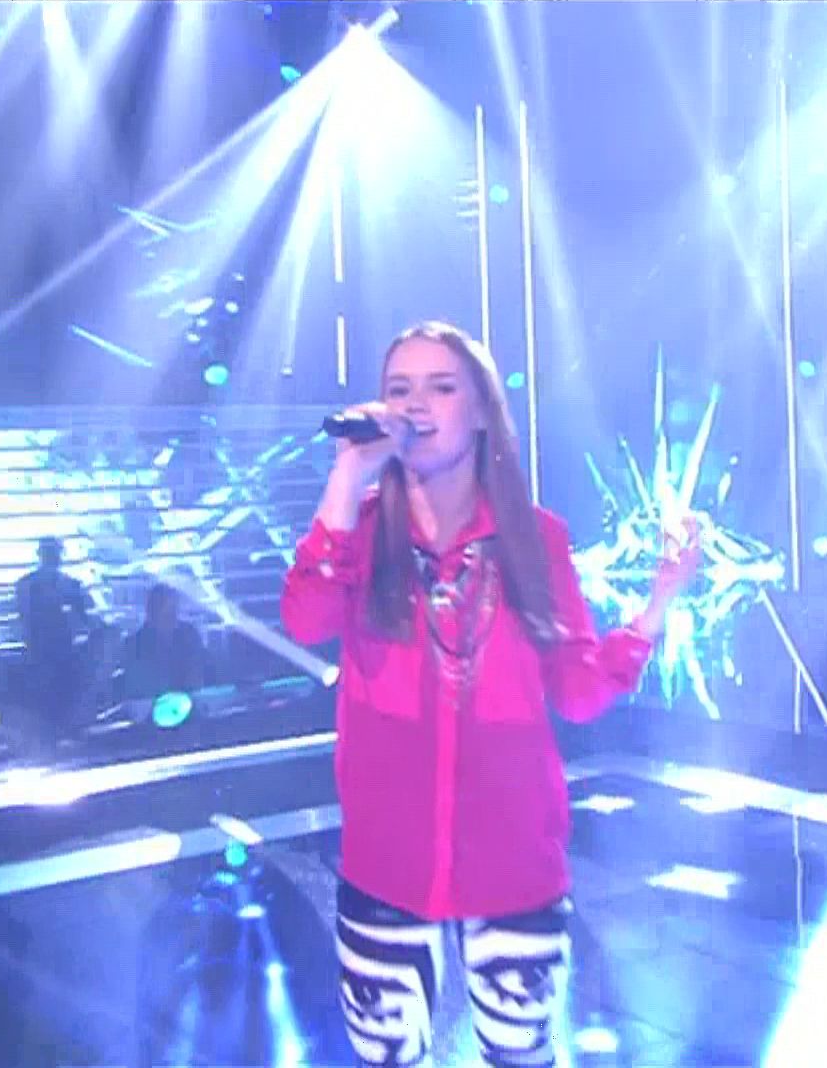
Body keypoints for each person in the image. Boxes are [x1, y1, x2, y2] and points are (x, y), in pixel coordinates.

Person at [281, 321, 702, 1068]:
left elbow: (576, 690)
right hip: (387, 864)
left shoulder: (536, 539)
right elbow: (306, 619)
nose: (416, 405)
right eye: (399, 389)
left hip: (513, 864)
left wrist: (656, 605)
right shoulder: (358, 534)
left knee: (521, 1055)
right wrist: (346, 478)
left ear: (479, 411)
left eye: (441, 387)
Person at [15, 537, 97, 734]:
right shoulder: (28, 585)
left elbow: (85, 618)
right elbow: (25, 617)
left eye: (55, 553)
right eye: (50, 553)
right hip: (41, 653)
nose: (53, 557)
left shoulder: (69, 585)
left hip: (62, 653)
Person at [118, 582, 207, 700]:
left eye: (175, 611)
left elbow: (200, 673)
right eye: (167, 614)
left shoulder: (189, 636)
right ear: (151, 613)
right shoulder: (134, 647)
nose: (173, 619)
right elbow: (141, 692)